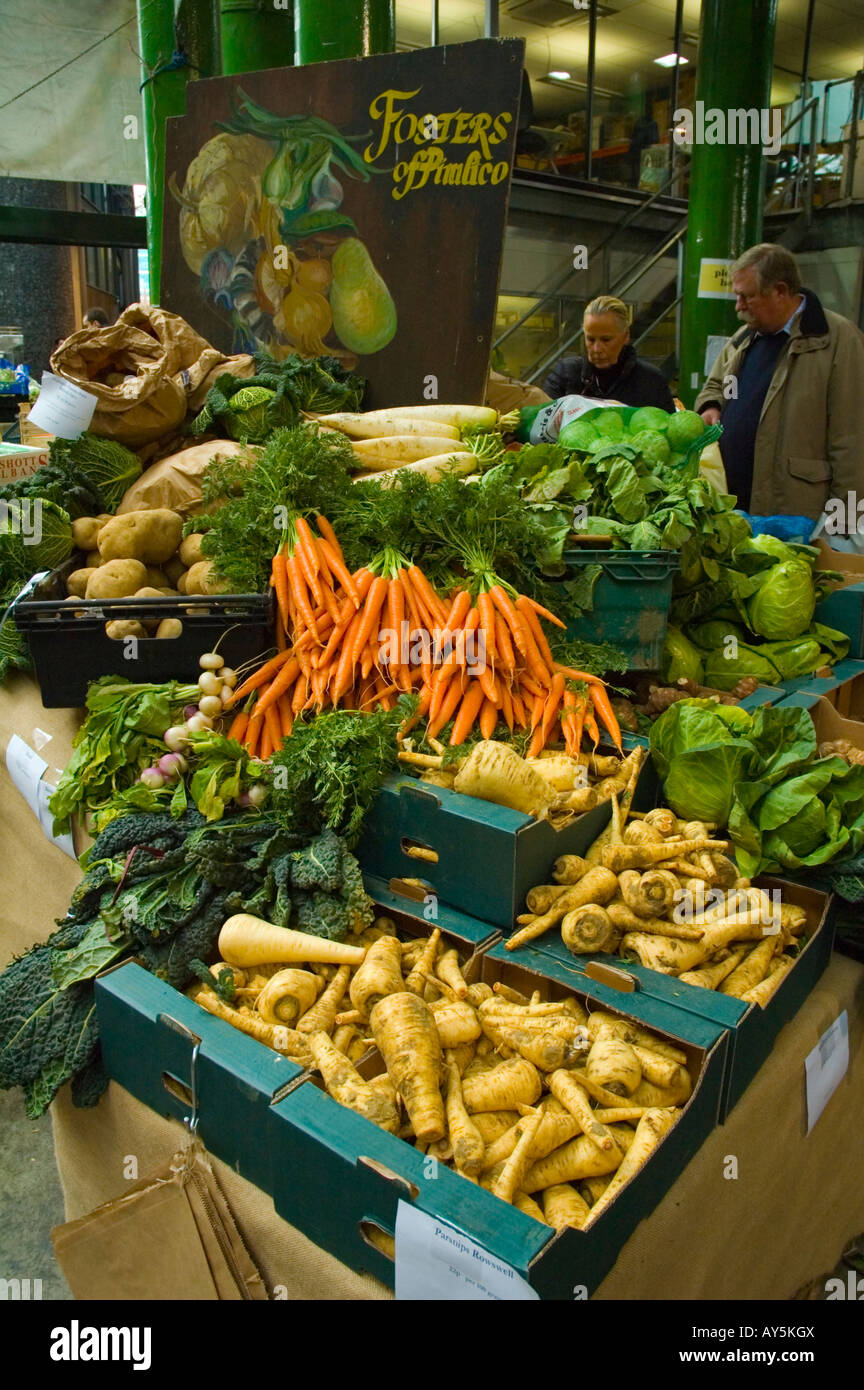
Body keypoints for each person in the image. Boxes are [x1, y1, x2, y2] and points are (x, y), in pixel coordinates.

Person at [695, 243, 864, 521]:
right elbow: (723, 387)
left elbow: (852, 443)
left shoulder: (838, 343)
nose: (739, 308)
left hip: (797, 514)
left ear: (780, 292)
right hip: (734, 511)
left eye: (747, 297)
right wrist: (713, 406)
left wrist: (843, 526)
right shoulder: (744, 339)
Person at [543, 295, 675, 411]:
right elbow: (538, 423)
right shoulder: (565, 374)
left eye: (606, 340)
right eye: (590, 339)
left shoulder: (652, 381)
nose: (596, 349)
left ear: (626, 336)